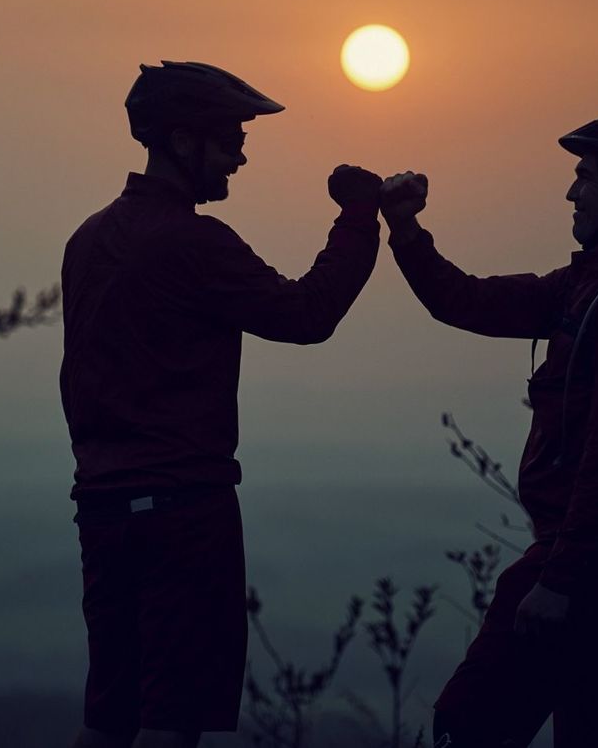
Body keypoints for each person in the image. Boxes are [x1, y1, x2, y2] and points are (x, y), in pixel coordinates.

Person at [61, 61, 383, 748]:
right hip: (183, 510)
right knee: (169, 721)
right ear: (183, 140)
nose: (242, 153)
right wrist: (359, 219)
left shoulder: (86, 241)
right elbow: (307, 313)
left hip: (102, 508)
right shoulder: (194, 243)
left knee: (108, 715)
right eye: (230, 137)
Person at [379, 115, 598, 748]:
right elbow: (463, 301)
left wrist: (558, 581)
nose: (571, 192)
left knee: (469, 724)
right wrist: (405, 226)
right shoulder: (585, 287)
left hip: (584, 568)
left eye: (586, 176)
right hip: (597, 565)